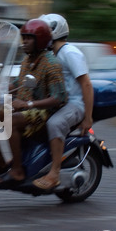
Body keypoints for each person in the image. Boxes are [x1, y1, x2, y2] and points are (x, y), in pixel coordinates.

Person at [0, 19, 67, 188]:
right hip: (24, 106)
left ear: (39, 40)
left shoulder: (51, 64)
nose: (24, 42)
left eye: (28, 38)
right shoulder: (27, 61)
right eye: (23, 38)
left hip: (44, 111)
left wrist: (28, 105)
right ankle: (1, 161)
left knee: (10, 121)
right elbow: (18, 83)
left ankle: (17, 170)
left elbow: (58, 98)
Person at [32, 13, 94, 190]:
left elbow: (86, 84)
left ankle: (54, 173)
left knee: (55, 124)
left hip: (75, 104)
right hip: (57, 102)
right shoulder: (50, 54)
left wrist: (87, 118)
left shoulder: (70, 53)